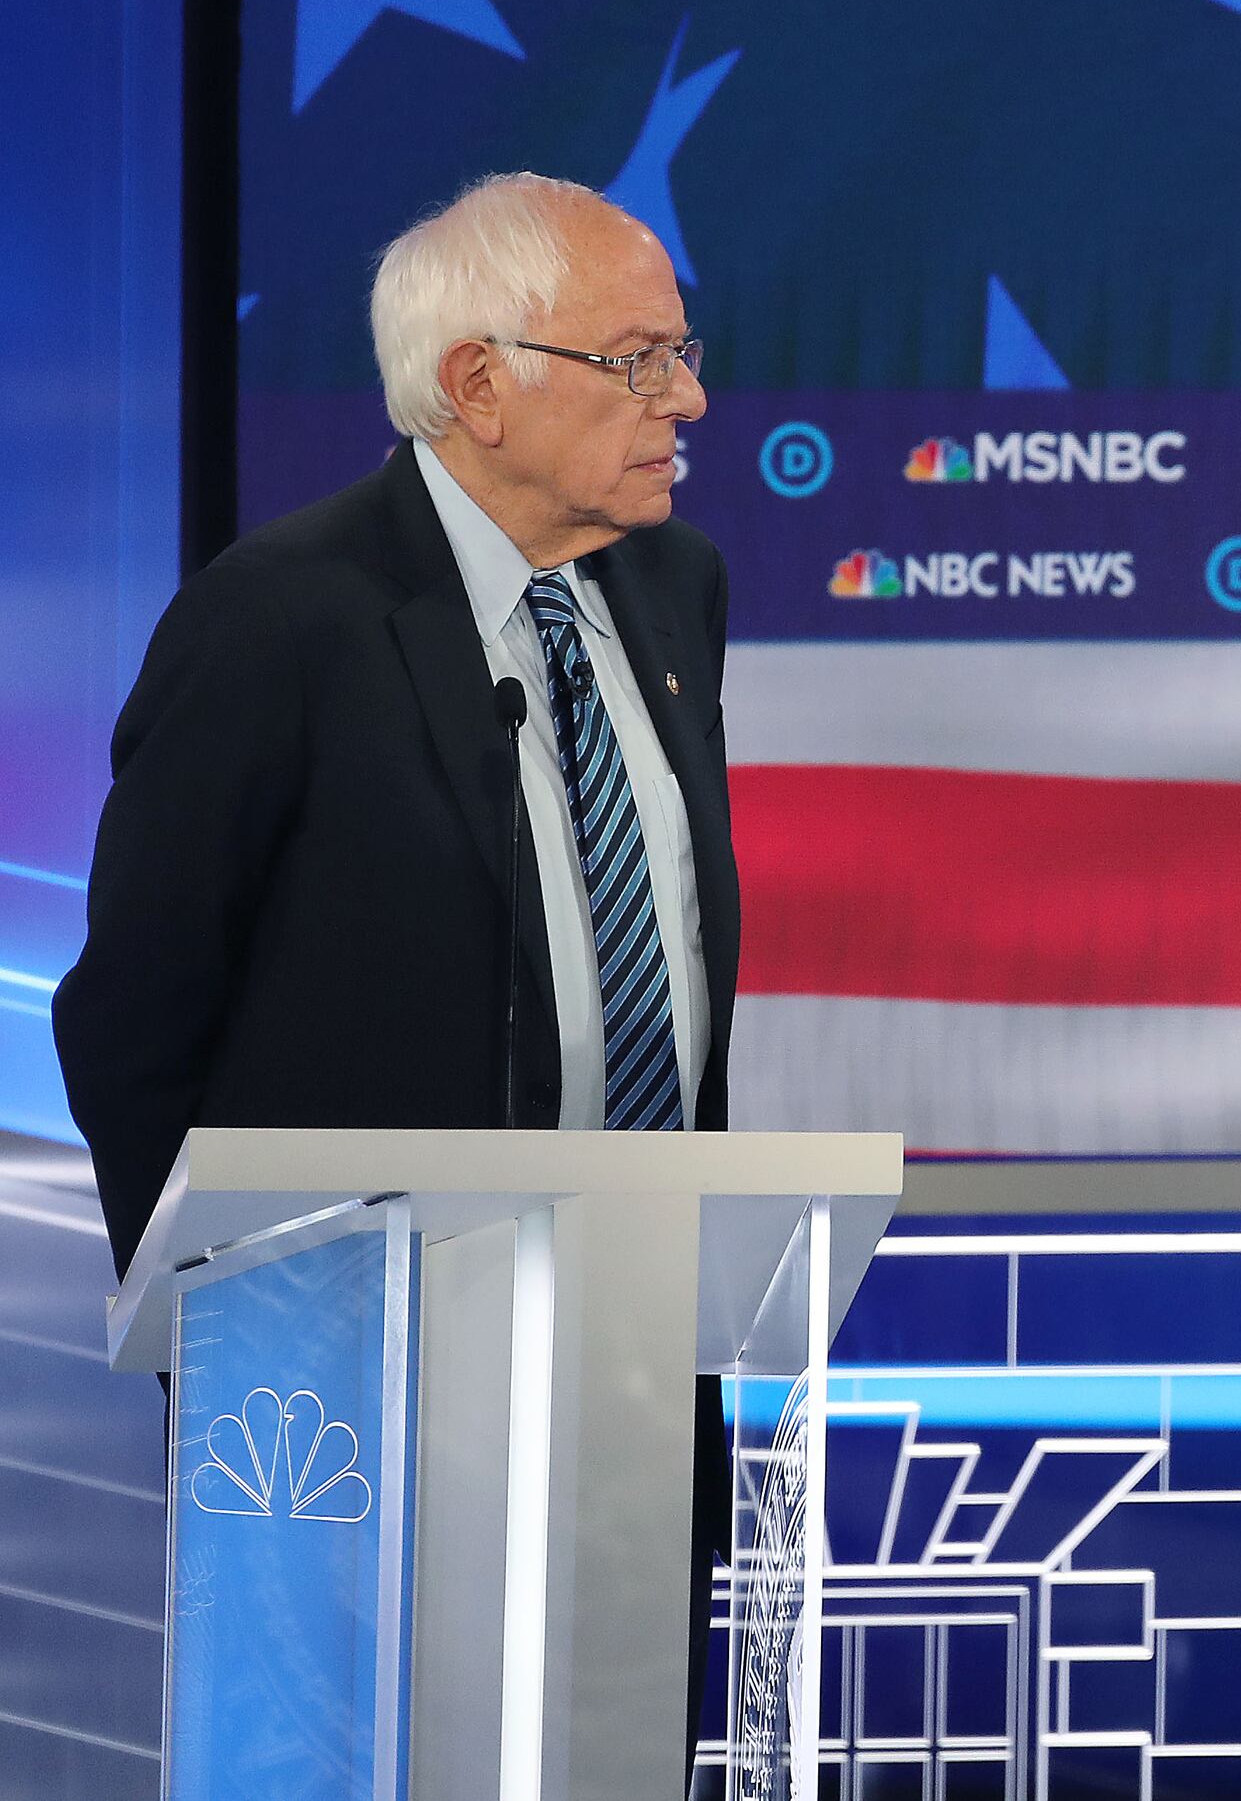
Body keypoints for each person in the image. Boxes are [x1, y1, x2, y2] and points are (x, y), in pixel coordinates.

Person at [55, 171, 737, 1778]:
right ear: (477, 384)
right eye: (634, 360)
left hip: (636, 1352)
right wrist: (240, 1328)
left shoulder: (674, 590)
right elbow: (131, 1015)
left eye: (683, 352)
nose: (686, 397)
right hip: (338, 1388)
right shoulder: (281, 617)